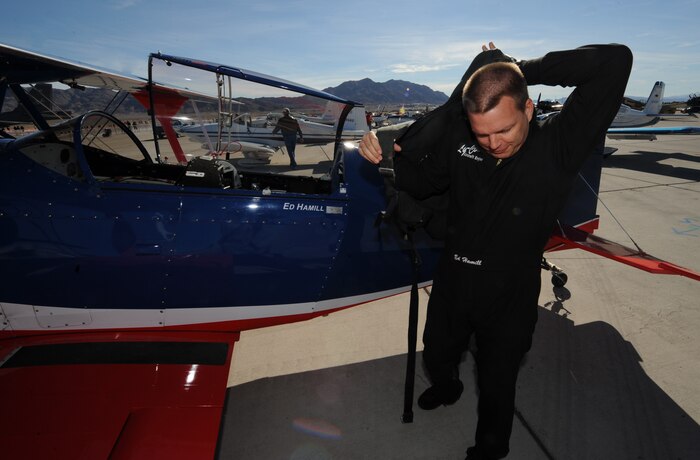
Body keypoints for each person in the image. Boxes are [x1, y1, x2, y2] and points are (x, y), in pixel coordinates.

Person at [359, 42, 632, 459]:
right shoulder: (463, 138)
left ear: (527, 109)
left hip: (510, 291)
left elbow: (615, 61)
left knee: (498, 379)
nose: (493, 143)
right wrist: (382, 152)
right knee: (437, 354)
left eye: (503, 130)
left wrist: (515, 67)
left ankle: (490, 448)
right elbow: (422, 180)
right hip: (453, 278)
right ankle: (448, 386)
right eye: (482, 133)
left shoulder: (558, 148)